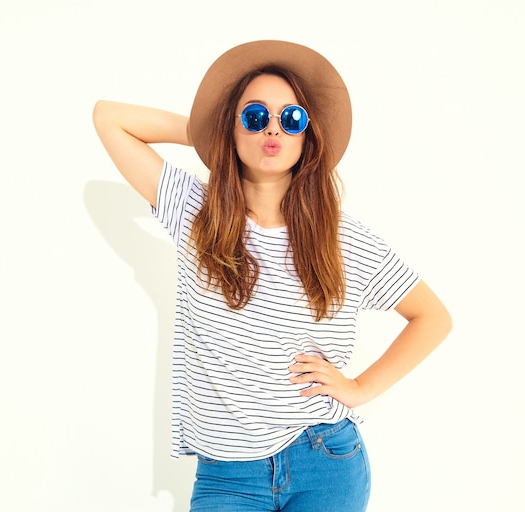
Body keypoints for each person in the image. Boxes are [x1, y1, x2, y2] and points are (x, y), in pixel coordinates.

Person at [93, 40, 452, 512]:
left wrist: (359, 388)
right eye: (256, 116)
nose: (273, 129)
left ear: (308, 135)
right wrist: (212, 132)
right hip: (227, 476)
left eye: (292, 119)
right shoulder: (193, 212)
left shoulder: (344, 237)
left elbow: (432, 317)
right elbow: (109, 118)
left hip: (324, 459)